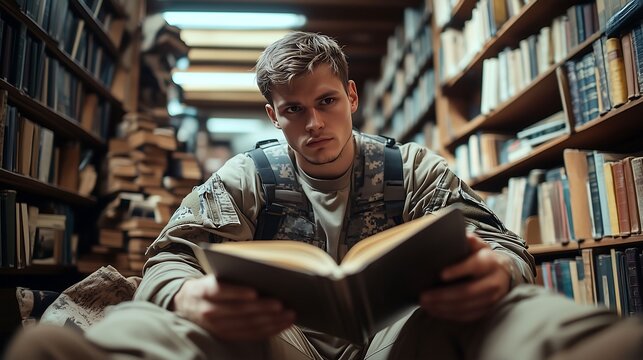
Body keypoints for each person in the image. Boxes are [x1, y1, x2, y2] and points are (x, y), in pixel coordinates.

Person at [5, 31, 642, 360]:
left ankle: (584, 348)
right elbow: (167, 260)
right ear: (272, 115)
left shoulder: (414, 167)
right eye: (294, 111)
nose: (314, 124)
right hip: (282, 345)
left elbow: (503, 245)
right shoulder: (246, 178)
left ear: (352, 96)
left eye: (327, 102)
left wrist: (495, 272)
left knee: (503, 309)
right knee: (172, 317)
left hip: (399, 343)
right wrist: (189, 292)